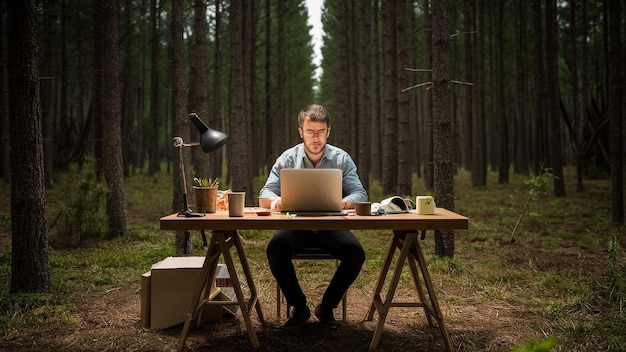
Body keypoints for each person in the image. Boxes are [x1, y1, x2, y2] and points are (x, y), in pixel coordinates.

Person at [259, 104, 368, 329]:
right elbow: (265, 193)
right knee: (275, 249)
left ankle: (326, 307)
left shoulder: (342, 158)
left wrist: (345, 201)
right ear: (301, 132)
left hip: (331, 225)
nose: (315, 138)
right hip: (295, 225)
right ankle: (299, 307)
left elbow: (360, 194)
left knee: (355, 253)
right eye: (310, 132)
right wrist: (275, 201)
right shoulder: (287, 158)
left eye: (320, 132)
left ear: (328, 131)